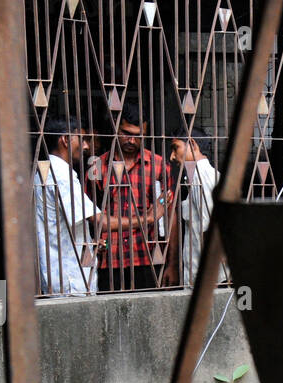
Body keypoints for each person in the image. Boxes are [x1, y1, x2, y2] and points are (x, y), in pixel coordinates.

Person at [87, 101, 170, 292]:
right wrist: (93, 240)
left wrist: (172, 262)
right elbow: (87, 211)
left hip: (148, 256)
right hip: (110, 257)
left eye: (138, 136)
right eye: (126, 133)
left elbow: (168, 209)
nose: (131, 141)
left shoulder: (158, 166)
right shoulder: (98, 166)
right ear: (116, 129)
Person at [34, 118, 102, 296]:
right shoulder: (61, 177)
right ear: (65, 139)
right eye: (82, 139)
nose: (87, 146)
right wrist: (148, 218)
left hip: (58, 273)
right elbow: (98, 219)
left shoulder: (44, 171)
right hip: (71, 279)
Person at [163, 126, 219, 287]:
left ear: (193, 144)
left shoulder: (201, 177)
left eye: (176, 148)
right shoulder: (198, 176)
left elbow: (212, 227)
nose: (172, 157)